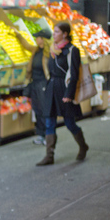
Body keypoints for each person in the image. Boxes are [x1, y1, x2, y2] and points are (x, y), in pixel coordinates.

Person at [36, 22, 89, 166]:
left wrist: (69, 94)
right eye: (54, 31)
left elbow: (74, 73)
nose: (54, 34)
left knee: (69, 123)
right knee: (49, 122)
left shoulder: (72, 50)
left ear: (65, 34)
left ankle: (83, 146)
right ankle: (49, 155)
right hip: (52, 87)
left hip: (64, 89)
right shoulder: (53, 49)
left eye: (57, 32)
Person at [20, 29, 52, 145]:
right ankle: (40, 134)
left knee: (44, 109)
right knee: (37, 109)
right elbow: (26, 45)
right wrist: (19, 35)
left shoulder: (49, 52)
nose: (36, 39)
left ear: (43, 39)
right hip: (35, 83)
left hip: (44, 83)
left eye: (38, 37)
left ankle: (47, 135)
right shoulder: (36, 50)